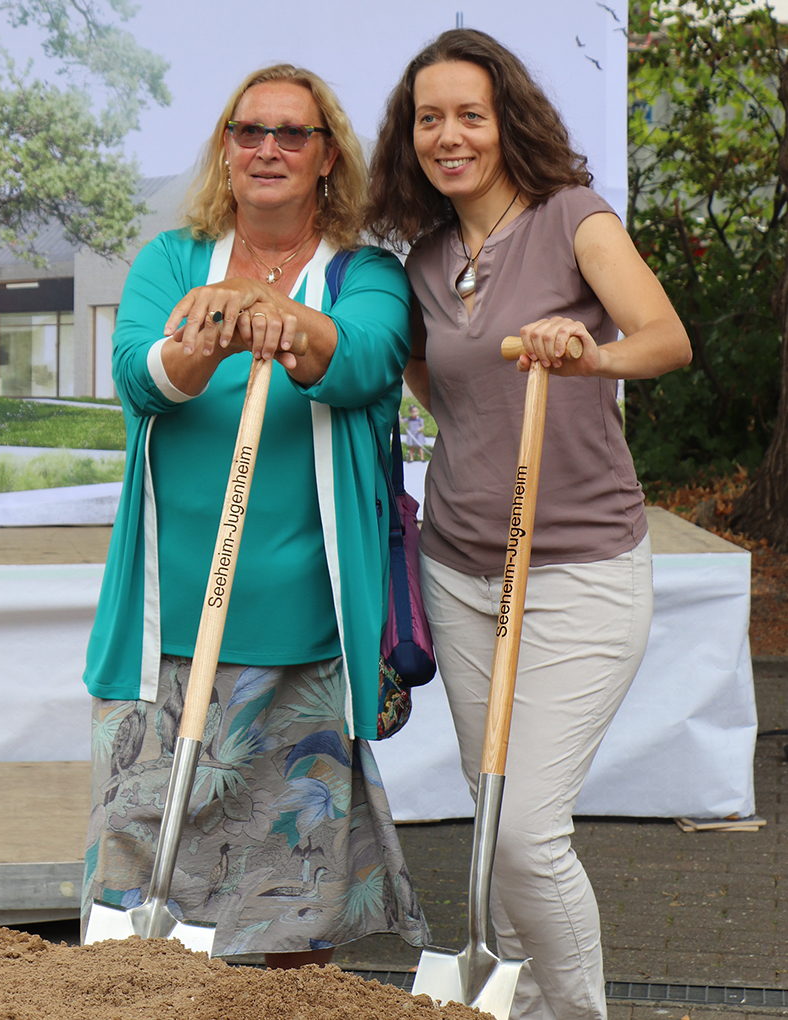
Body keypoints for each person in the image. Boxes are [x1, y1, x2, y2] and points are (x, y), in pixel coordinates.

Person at [367, 29, 691, 1020]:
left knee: (523, 833)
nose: (449, 135)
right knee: (496, 811)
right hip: (461, 571)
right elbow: (434, 379)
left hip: (580, 570)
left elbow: (666, 340)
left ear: (509, 120)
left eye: (471, 114)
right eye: (430, 118)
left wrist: (583, 352)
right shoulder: (424, 260)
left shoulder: (573, 221)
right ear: (410, 135)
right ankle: (515, 1006)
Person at [82, 63, 428, 967]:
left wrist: (277, 314)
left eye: (292, 134)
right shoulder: (170, 261)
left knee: (290, 904)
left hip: (302, 635)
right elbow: (139, 377)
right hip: (170, 623)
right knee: (146, 885)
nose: (267, 148)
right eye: (248, 132)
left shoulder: (365, 273)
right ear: (225, 151)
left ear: (326, 158)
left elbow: (363, 359)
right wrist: (206, 336)